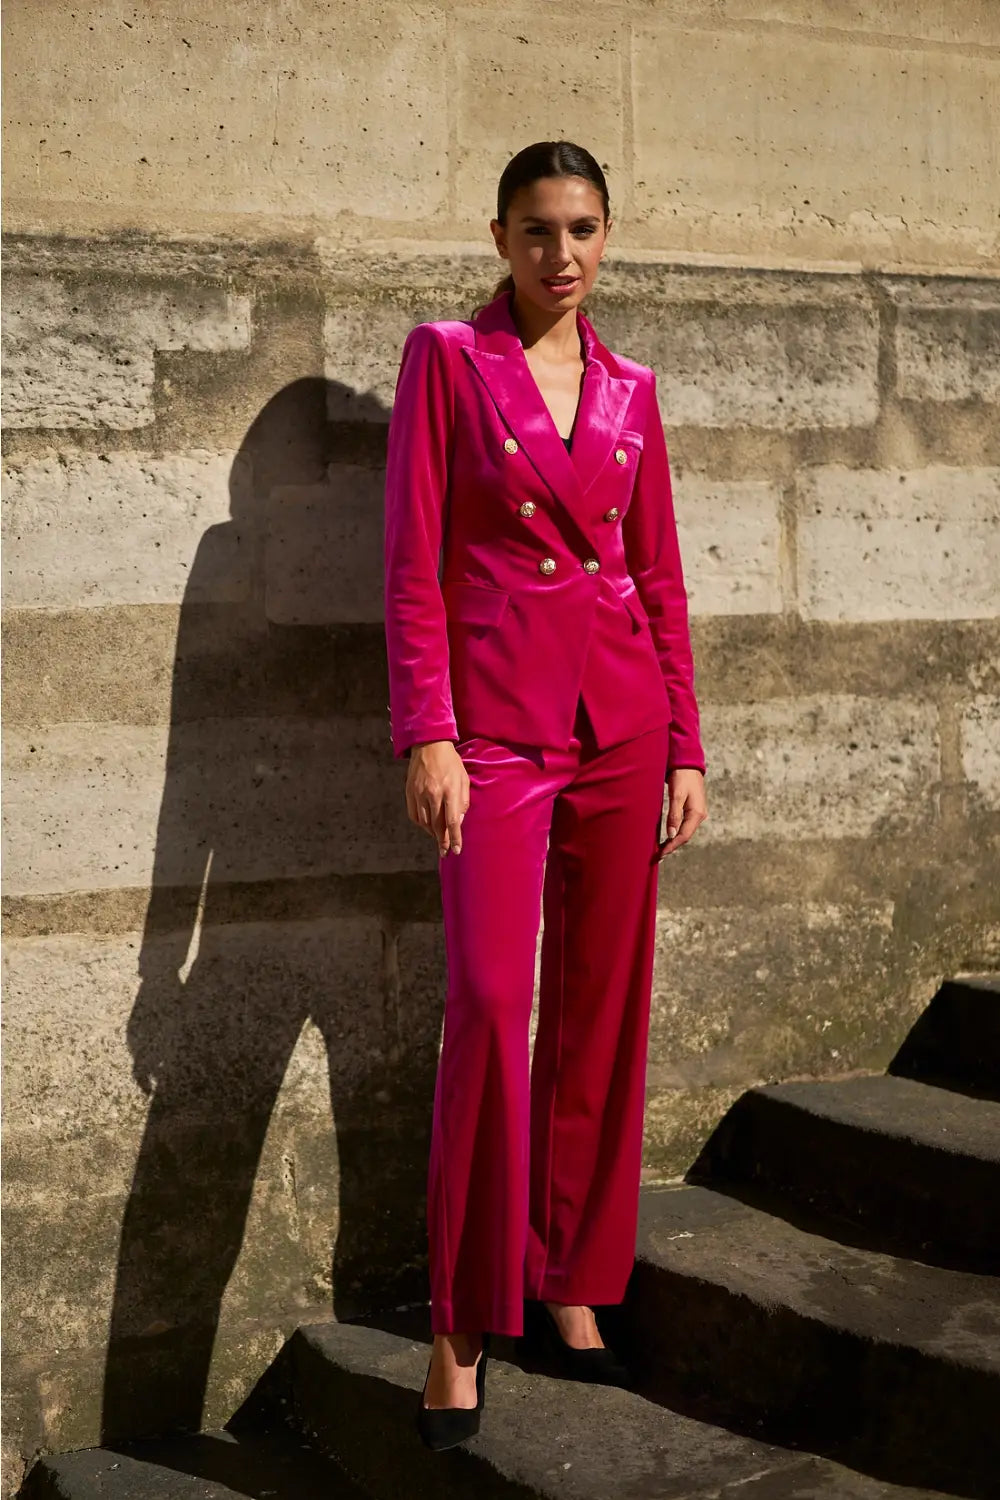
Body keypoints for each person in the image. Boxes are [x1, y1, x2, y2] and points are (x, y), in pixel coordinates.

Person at [383, 140, 708, 1449]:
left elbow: (662, 573)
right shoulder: (447, 363)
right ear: (500, 236)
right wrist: (428, 729)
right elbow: (412, 561)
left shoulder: (632, 390)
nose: (559, 253)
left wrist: (686, 739)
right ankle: (461, 1326)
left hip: (624, 726)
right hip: (500, 735)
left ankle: (573, 1280)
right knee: (487, 1003)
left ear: (608, 236)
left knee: (601, 1007)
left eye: (580, 229)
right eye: (536, 229)